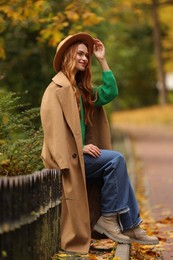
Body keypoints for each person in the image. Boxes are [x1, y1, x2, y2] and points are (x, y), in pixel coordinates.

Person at [40, 32, 159, 254]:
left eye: (88, 55)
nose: (85, 58)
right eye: (81, 54)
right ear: (68, 55)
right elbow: (53, 133)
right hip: (67, 160)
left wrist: (102, 59)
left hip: (81, 159)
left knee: (117, 167)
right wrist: (79, 148)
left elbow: (109, 92)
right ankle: (113, 220)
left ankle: (131, 225)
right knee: (115, 160)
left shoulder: (81, 90)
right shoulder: (55, 90)